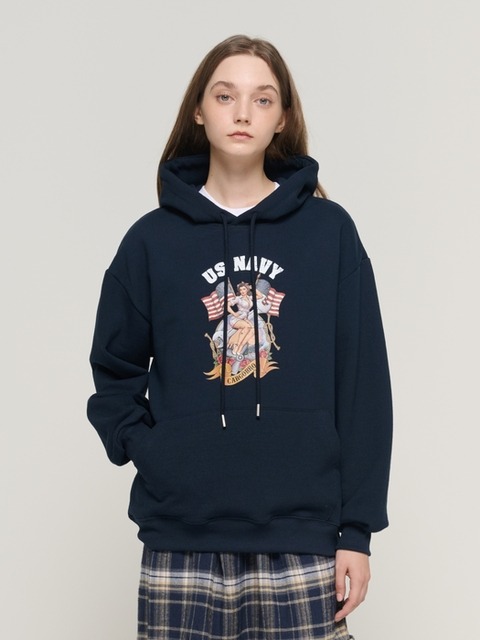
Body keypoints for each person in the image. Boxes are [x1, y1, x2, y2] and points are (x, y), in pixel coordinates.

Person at [87, 34, 392, 640]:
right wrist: (155, 451)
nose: (243, 112)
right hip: (181, 536)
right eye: (225, 96)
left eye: (262, 98)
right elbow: (113, 371)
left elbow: (363, 385)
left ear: (283, 119)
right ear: (199, 111)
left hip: (303, 536)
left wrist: (356, 530)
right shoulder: (151, 241)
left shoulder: (329, 233)